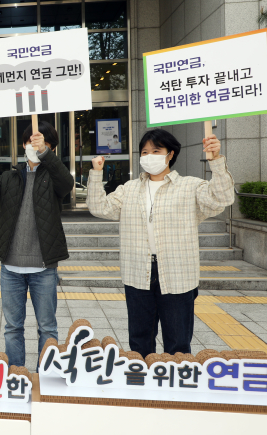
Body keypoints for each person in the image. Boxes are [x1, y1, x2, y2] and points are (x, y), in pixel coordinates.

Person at [87, 129, 234, 359]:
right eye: (145, 152)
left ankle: (175, 391)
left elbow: (222, 199)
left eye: (156, 151)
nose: (149, 156)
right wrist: (96, 173)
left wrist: (215, 161)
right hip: (138, 273)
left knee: (178, 344)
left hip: (177, 274)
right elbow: (99, 207)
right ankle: (143, 389)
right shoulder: (129, 189)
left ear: (170, 154)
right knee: (139, 343)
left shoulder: (190, 187)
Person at [0, 121, 74, 369]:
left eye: (41, 143)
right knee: (12, 328)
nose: (33, 146)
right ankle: (16, 374)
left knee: (47, 327)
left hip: (43, 267)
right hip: (11, 268)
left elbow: (67, 185)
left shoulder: (54, 177)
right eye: (30, 142)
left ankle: (45, 374)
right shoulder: (10, 176)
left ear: (51, 149)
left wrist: (45, 155)